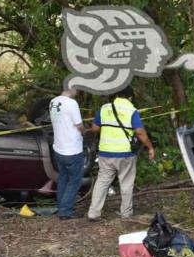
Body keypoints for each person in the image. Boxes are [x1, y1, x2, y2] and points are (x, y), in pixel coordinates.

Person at [87, 85, 155, 220]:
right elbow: (140, 132)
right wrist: (150, 147)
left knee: (102, 182)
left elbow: (94, 129)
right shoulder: (131, 110)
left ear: (117, 95)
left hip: (105, 152)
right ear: (130, 97)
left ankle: (93, 213)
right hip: (125, 153)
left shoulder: (104, 108)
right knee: (126, 183)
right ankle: (126, 213)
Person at [49, 88, 85, 220]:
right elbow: (79, 125)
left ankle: (61, 207)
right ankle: (65, 211)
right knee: (74, 180)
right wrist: (84, 132)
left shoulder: (53, 101)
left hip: (59, 147)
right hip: (72, 149)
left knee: (63, 178)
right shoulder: (71, 103)